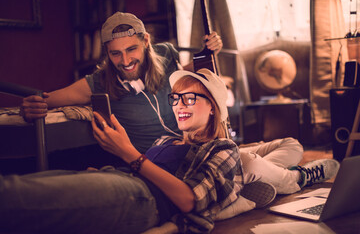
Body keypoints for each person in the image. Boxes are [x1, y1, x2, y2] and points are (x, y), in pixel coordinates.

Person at [0, 68, 340, 234]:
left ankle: (299, 177)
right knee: (33, 184)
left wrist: (128, 154)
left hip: (141, 198)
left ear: (214, 108)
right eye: (175, 98)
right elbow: (144, 168)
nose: (179, 105)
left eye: (190, 98)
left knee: (16, 196)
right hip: (118, 181)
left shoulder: (222, 147)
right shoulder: (165, 141)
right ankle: (243, 196)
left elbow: (190, 200)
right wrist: (115, 166)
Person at [20, 12, 223, 154]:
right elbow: (46, 99)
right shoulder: (98, 82)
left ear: (145, 42)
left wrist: (210, 52)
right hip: (151, 164)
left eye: (131, 49)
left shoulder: (166, 54)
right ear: (107, 52)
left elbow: (189, 75)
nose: (125, 61)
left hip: (190, 148)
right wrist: (31, 106)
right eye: (115, 53)